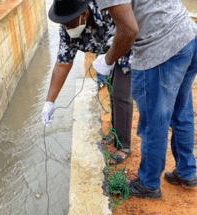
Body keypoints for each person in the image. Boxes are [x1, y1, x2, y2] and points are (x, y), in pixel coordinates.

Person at [93, 0, 197, 199]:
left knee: (154, 122)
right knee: (181, 113)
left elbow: (128, 30)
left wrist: (107, 60)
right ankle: (186, 172)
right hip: (189, 38)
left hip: (161, 51)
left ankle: (149, 183)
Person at [42, 0, 133, 163]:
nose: (68, 28)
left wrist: (110, 58)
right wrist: (49, 101)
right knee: (111, 93)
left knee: (121, 94)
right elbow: (63, 64)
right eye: (65, 24)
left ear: (83, 14)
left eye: (70, 23)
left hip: (123, 47)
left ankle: (123, 146)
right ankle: (116, 133)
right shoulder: (66, 28)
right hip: (105, 56)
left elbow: (128, 29)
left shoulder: (106, 11)